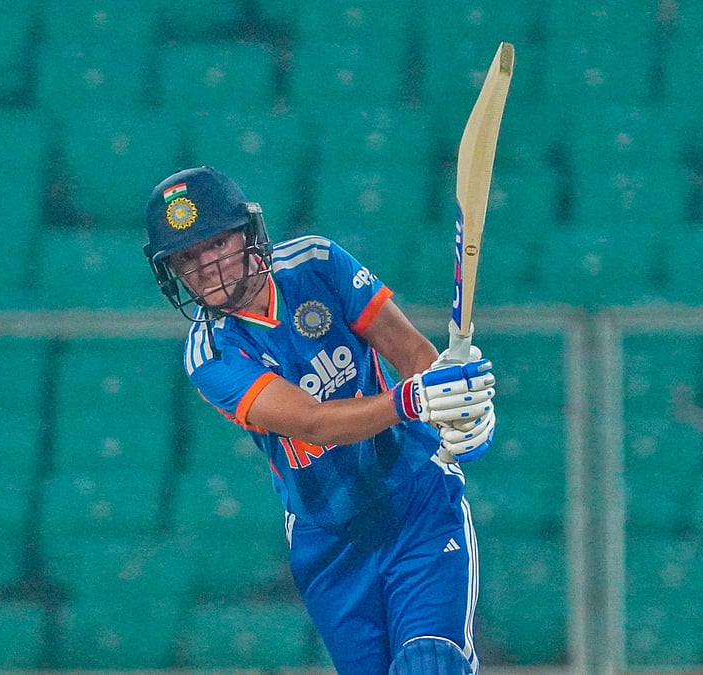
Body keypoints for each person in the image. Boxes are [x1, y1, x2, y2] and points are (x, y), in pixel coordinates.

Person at [142, 166, 497, 675]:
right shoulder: (209, 355)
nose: (206, 267)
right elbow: (312, 422)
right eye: (187, 257)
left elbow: (412, 351)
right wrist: (416, 401)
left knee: (430, 664)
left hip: (415, 499)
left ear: (248, 235)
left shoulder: (318, 261)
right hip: (328, 538)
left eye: (216, 243)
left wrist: (459, 411)